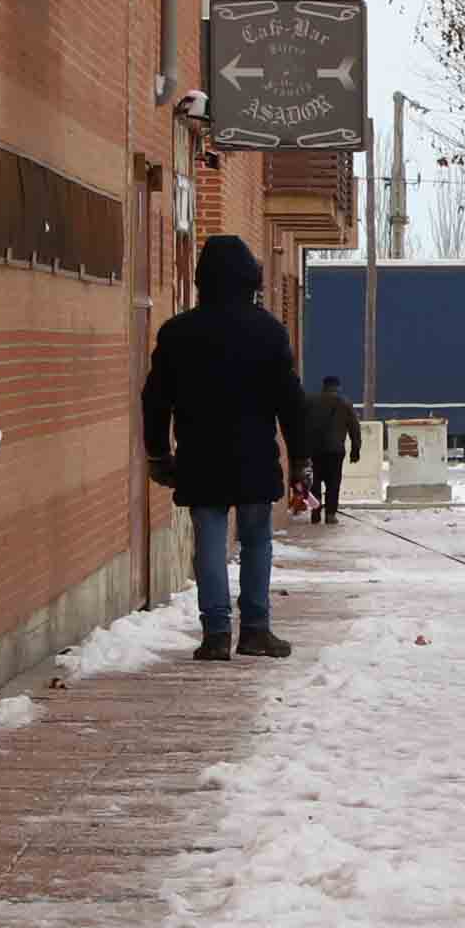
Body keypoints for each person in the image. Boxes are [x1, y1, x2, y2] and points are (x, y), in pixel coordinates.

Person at [141, 235, 307, 663]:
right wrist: (300, 458)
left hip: (200, 457)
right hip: (255, 457)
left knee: (210, 545)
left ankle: (215, 633)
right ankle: (255, 629)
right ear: (251, 279)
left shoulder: (177, 333)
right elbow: (290, 401)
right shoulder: (269, 332)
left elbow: (155, 399)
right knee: (256, 542)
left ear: (202, 279)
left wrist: (158, 454)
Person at [300, 376, 361, 524]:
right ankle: (330, 514)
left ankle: (315, 512)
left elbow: (301, 424)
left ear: (324, 386)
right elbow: (355, 428)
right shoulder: (345, 403)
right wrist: (355, 450)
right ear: (338, 387)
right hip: (335, 450)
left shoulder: (310, 401)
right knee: (333, 483)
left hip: (314, 449)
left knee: (314, 482)